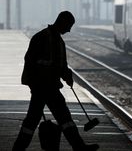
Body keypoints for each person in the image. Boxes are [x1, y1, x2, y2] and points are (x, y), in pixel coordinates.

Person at [12, 11, 99, 151]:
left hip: (50, 87)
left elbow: (60, 65)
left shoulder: (58, 40)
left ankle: (79, 146)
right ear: (62, 22)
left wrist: (67, 75)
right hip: (42, 87)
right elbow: (30, 62)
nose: (69, 30)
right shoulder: (42, 38)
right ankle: (79, 146)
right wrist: (33, 83)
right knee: (45, 119)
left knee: (60, 119)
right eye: (69, 26)